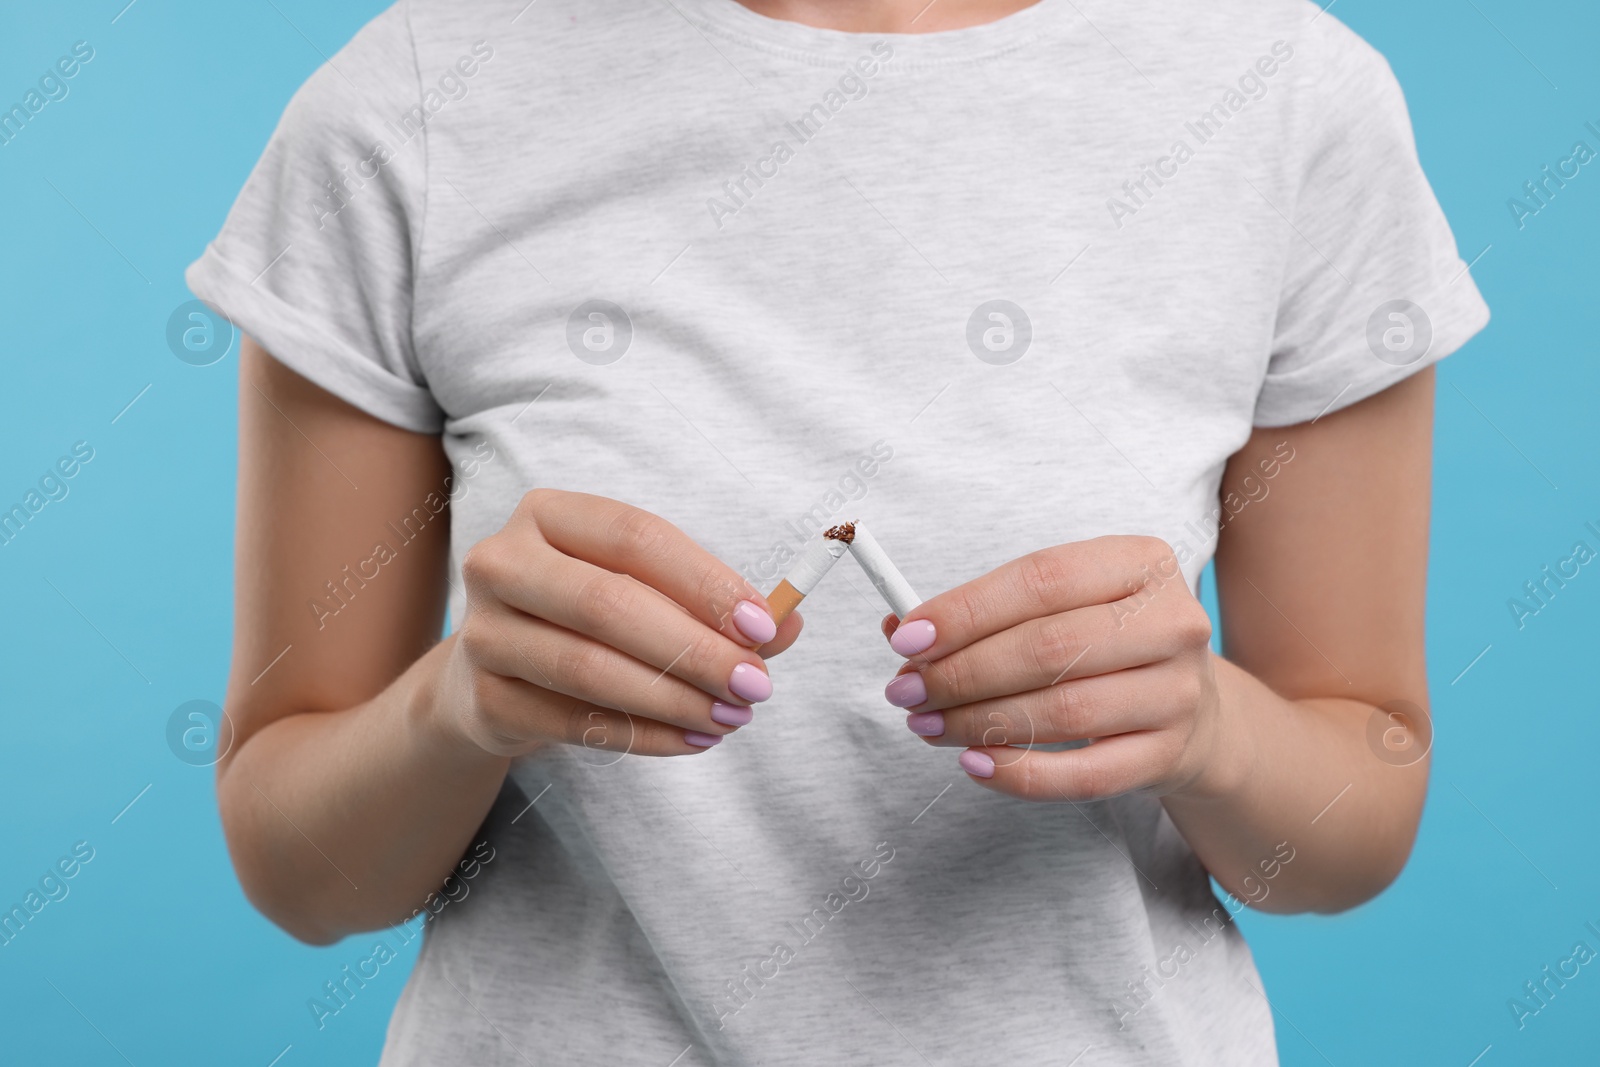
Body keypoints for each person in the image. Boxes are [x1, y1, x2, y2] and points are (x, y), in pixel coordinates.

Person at [188, 0, 1487, 1062]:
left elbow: (1351, 826)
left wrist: (1203, 726)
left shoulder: (1286, 97)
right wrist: (461, 706)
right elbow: (303, 873)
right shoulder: (409, 101)